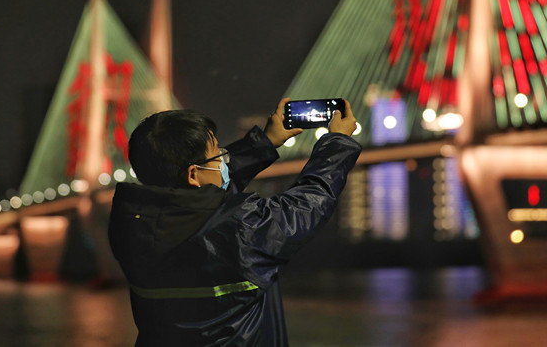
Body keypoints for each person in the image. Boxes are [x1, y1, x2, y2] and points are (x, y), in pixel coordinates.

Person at [108, 97, 361, 346]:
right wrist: (337, 142)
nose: (224, 159)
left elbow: (195, 198)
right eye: (217, 155)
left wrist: (265, 143)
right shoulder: (240, 229)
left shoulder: (130, 224)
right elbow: (307, 205)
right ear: (193, 174)